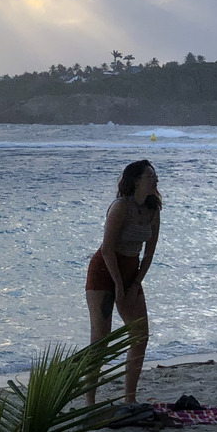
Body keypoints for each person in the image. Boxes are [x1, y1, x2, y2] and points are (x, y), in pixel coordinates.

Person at [85, 160, 160, 407]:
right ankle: (90, 402)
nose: (155, 179)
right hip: (105, 272)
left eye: (155, 175)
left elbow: (149, 253)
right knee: (101, 339)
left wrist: (135, 283)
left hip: (131, 272)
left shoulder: (153, 210)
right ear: (136, 179)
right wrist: (118, 285)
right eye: (150, 175)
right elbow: (107, 249)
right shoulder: (119, 207)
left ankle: (130, 398)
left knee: (140, 335)